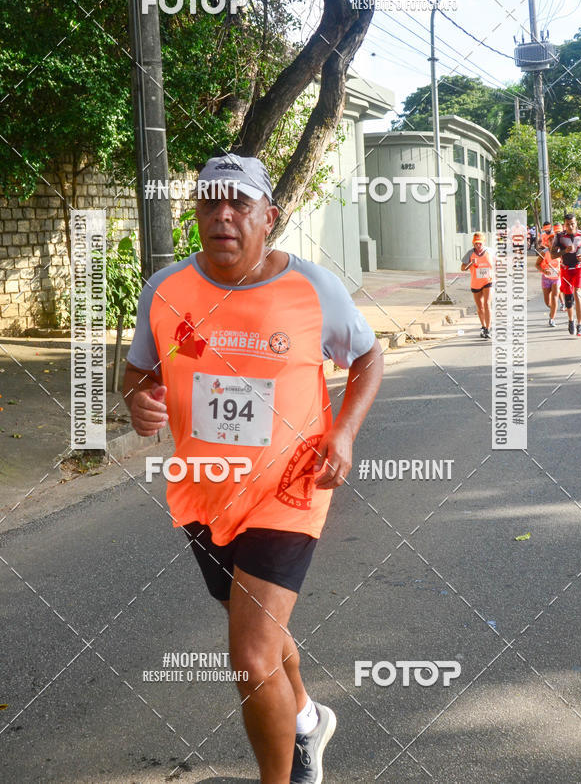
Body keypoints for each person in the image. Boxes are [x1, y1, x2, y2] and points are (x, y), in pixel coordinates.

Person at [122, 153, 383, 784]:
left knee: (250, 652)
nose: (223, 215)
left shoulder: (314, 287)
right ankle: (308, 720)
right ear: (195, 213)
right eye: (210, 202)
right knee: (258, 631)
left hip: (290, 490)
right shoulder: (165, 289)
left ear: (270, 217)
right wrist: (138, 402)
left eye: (239, 203)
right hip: (204, 494)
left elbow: (369, 359)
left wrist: (344, 432)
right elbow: (139, 371)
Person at [551, 212, 581, 337]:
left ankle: (580, 325)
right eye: (568, 224)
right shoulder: (559, 237)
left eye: (572, 224)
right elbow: (553, 255)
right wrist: (564, 251)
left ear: (576, 223)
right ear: (564, 225)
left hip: (579, 268)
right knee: (568, 297)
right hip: (565, 269)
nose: (570, 226)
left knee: (577, 293)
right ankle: (571, 321)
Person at [461, 232, 495, 338]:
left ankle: (488, 328)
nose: (478, 245)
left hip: (488, 281)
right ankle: (483, 326)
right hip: (476, 283)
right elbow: (462, 268)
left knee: (487, 304)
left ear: (484, 242)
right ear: (473, 243)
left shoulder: (490, 252)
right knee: (480, 307)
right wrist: (471, 263)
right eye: (476, 243)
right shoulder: (470, 253)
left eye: (480, 243)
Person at [535, 242, 561, 327]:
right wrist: (544, 271)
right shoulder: (544, 252)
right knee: (547, 302)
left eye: (555, 241)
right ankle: (553, 308)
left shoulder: (561, 252)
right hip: (546, 278)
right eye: (551, 240)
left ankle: (552, 319)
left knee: (554, 297)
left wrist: (561, 271)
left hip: (556, 278)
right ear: (548, 243)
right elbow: (537, 264)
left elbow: (565, 264)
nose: (553, 243)